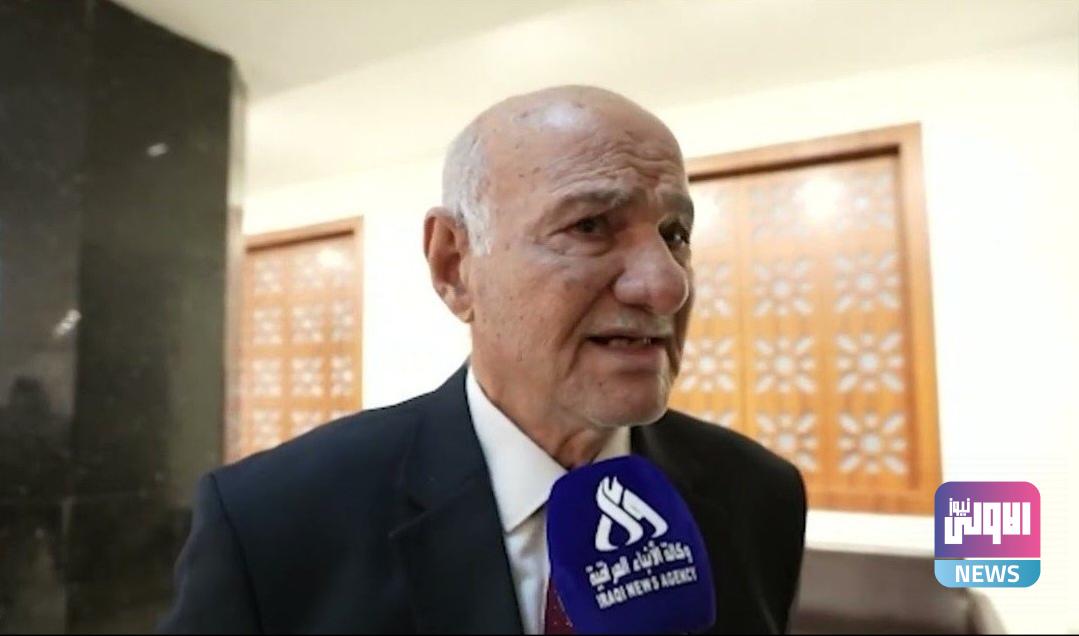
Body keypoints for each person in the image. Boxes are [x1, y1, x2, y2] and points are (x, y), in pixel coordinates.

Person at [160, 85, 806, 634]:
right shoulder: (270, 522)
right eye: (590, 226)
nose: (666, 286)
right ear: (454, 266)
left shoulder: (756, 495)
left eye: (675, 235)